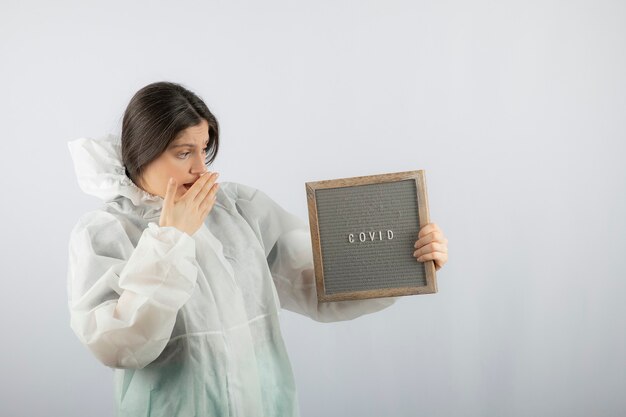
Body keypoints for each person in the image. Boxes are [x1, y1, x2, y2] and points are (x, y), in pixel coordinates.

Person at [66, 81, 449, 417]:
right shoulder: (105, 234)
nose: (201, 167)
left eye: (204, 150)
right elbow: (118, 346)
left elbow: (318, 283)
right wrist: (171, 239)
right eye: (184, 153)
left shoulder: (239, 209)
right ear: (141, 153)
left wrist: (407, 261)